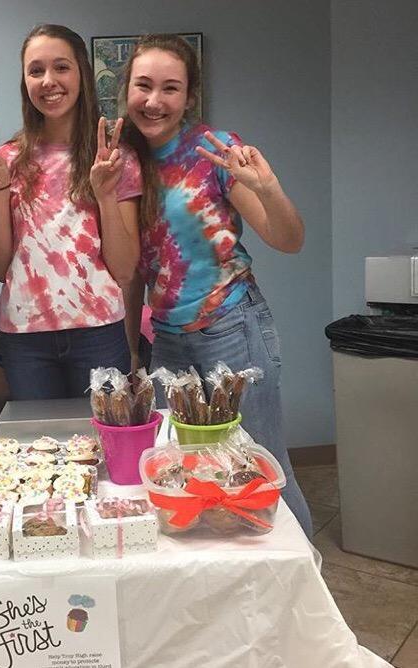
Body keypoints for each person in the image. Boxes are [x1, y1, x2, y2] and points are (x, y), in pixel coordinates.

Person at [121, 34, 312, 536]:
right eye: (143, 85)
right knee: (186, 481)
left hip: (232, 327)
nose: (154, 100)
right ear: (126, 90)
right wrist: (131, 350)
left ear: (189, 96)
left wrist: (269, 189)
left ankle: (299, 598)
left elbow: (287, 239)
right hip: (167, 341)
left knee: (263, 476)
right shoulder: (121, 163)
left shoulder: (214, 150)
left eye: (170, 88)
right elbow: (135, 272)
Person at [0, 24, 142, 400]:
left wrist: (105, 194)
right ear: (25, 81)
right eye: (36, 70)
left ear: (82, 75)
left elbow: (125, 269)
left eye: (61, 67)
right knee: (38, 454)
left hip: (99, 333)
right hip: (26, 340)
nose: (48, 81)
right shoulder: (8, 160)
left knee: (105, 449)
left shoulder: (115, 158)